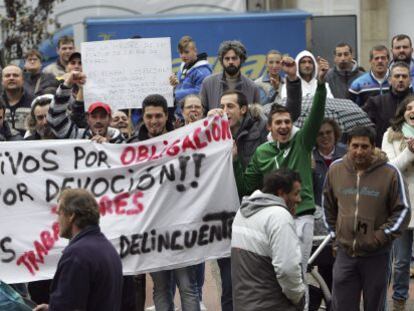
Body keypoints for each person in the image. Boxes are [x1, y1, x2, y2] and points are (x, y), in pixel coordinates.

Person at [234, 57, 328, 310]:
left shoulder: (302, 142)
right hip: (272, 217)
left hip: (301, 215)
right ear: (271, 126)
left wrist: (320, 86)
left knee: (295, 272)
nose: (284, 125)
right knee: (276, 273)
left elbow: (317, 117)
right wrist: (233, 162)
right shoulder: (262, 152)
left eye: (288, 121)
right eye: (279, 122)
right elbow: (247, 186)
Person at [323, 126, 410, 311]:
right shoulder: (336, 169)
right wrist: (335, 235)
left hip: (377, 256)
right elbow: (327, 206)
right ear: (347, 145)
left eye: (364, 146)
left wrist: (381, 236)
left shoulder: (390, 173)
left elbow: (402, 210)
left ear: (373, 147)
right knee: (343, 306)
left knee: (375, 306)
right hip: (345, 254)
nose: (359, 151)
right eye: (355, 145)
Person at [129, 95, 200, 311]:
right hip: (151, 230)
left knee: (188, 286)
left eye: (158, 116)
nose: (154, 121)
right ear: (142, 117)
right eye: (149, 116)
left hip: (180, 226)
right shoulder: (132, 145)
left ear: (166, 116)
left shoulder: (181, 140)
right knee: (160, 288)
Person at [33, 188, 123, 311]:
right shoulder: (107, 248)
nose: (57, 220)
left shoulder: (76, 255)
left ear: (71, 216)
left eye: (59, 214)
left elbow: (67, 307)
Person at [231, 168, 305, 311]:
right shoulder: (279, 217)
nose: (299, 199)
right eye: (296, 194)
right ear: (281, 193)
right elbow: (287, 269)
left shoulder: (242, 212)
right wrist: (299, 296)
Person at [382, 96, 414, 311]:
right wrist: (410, 151)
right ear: (402, 112)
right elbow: (390, 168)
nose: (413, 111)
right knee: (401, 261)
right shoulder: (390, 135)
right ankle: (400, 301)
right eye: (409, 108)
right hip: (402, 204)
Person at [47, 71, 124, 143]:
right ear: (87, 118)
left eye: (103, 116)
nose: (98, 121)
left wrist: (108, 146)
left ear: (110, 119)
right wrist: (67, 84)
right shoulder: (78, 136)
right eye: (94, 116)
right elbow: (55, 120)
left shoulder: (120, 141)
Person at [363, 61, 413, 147]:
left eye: (404, 76)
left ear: (410, 80)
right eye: (397, 76)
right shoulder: (376, 102)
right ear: (389, 80)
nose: (401, 80)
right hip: (381, 151)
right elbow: (368, 130)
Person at [200, 40, 260, 110]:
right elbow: (202, 112)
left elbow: (257, 117)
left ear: (241, 59)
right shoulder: (208, 83)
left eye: (234, 58)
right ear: (221, 60)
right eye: (227, 58)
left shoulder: (252, 87)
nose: (231, 62)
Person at [170, 36, 212, 120]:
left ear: (195, 51)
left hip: (195, 118)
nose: (183, 56)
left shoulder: (203, 71)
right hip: (181, 116)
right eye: (181, 53)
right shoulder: (183, 67)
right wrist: (173, 86)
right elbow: (178, 88)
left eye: (186, 52)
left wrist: (175, 94)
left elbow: (199, 92)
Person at [2, 64, 34, 135]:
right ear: (2, 81)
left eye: (15, 75)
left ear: (23, 80)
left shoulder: (33, 103)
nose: (11, 78)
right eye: (7, 76)